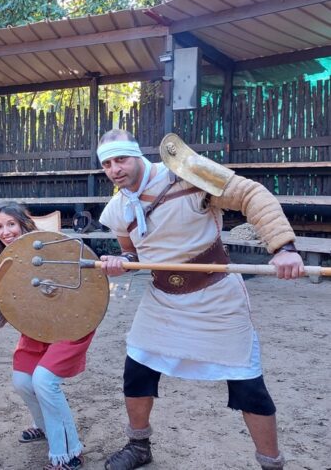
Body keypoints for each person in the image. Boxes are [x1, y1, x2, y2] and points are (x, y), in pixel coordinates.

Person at [96, 129, 304, 470]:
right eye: (107, 164)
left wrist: (283, 247)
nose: (115, 169)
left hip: (216, 296)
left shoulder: (187, 171)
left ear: (137, 156)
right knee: (137, 371)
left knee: (248, 386)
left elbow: (251, 194)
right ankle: (138, 446)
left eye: (121, 159)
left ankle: (271, 464)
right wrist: (121, 263)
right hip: (162, 299)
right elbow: (131, 253)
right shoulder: (118, 208)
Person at [0, 201, 95, 470]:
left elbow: (85, 279)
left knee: (44, 381)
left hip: (69, 324)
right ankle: (45, 426)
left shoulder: (52, 247)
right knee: (23, 381)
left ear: (23, 223)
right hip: (37, 328)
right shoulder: (6, 263)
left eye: (10, 224)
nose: (5, 232)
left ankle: (68, 452)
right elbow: (0, 308)